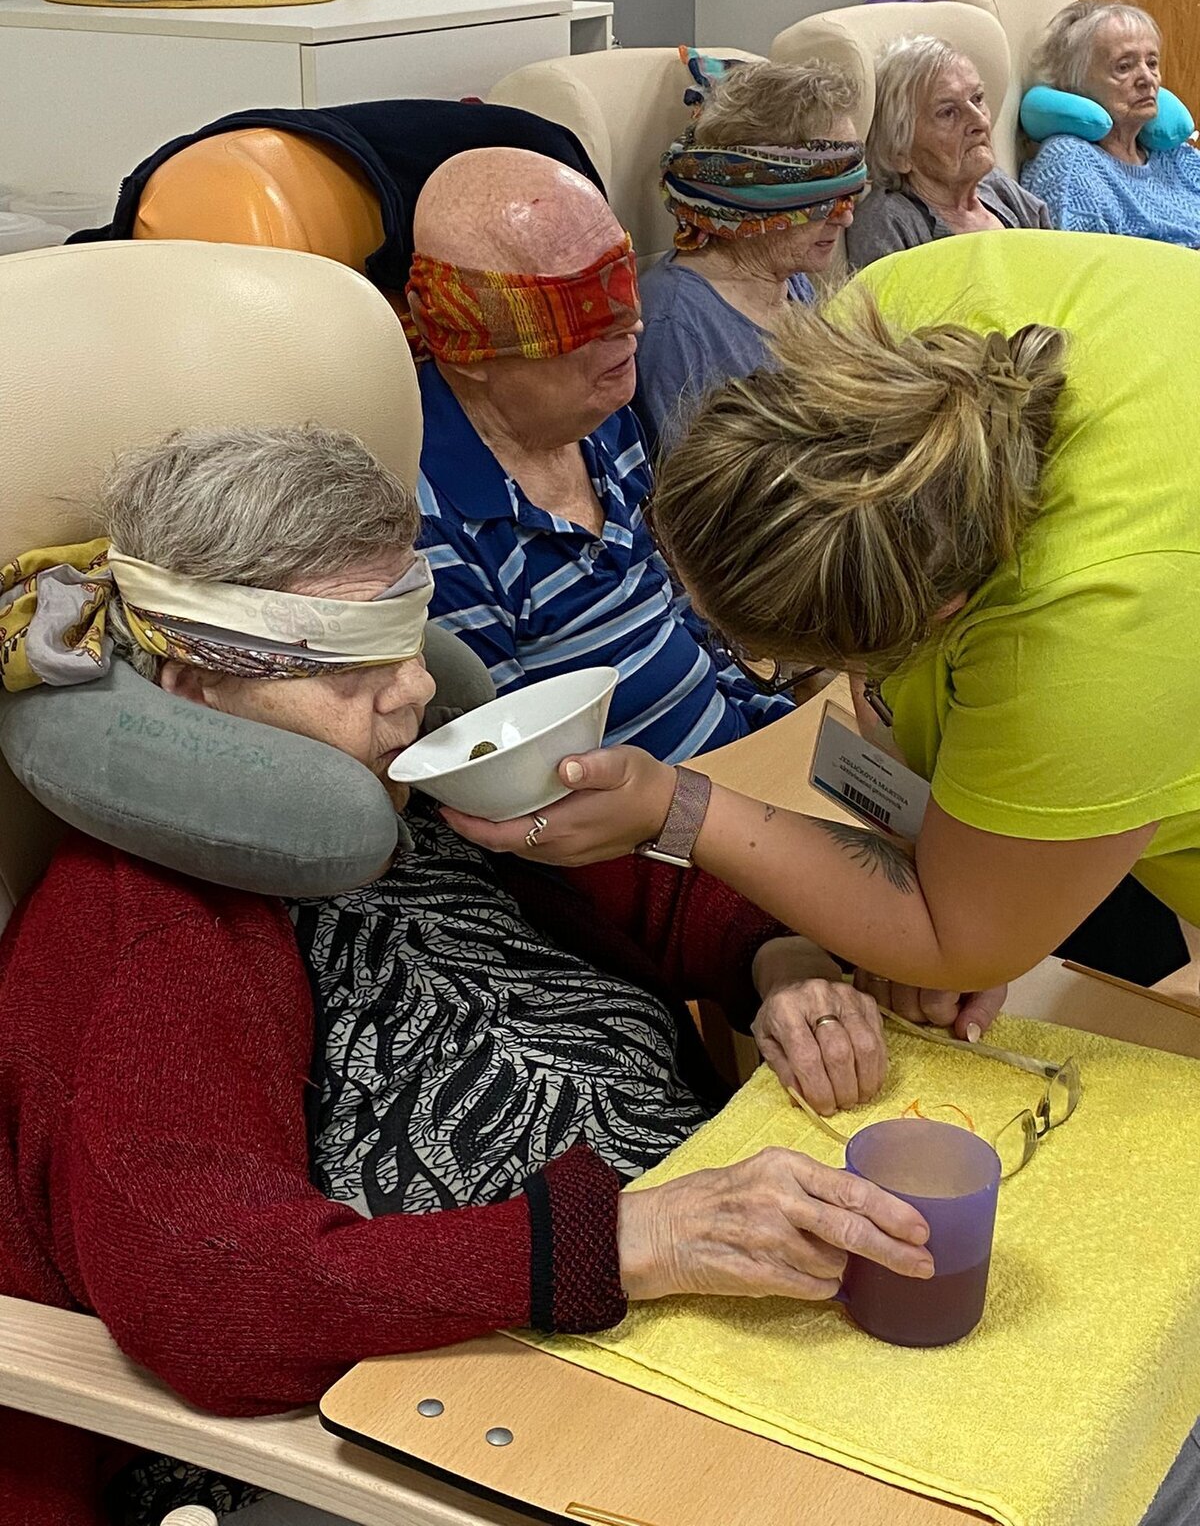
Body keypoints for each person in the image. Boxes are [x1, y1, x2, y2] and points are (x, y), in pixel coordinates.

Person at [0, 424, 935, 1526]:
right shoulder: (144, 931)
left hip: (712, 1280)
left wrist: (782, 965)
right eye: (354, 660)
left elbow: (651, 894)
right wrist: (639, 1237)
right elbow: (207, 1287)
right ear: (200, 688)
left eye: (410, 631)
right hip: (430, 1425)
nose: (413, 688)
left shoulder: (415, 791)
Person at [441, 229, 1200, 1018]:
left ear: (932, 616)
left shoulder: (1093, 635)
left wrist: (679, 808)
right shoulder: (879, 325)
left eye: (752, 650)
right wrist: (942, 877)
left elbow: (963, 940)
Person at [409, 145, 808, 766]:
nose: (631, 326)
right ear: (465, 343)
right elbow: (521, 776)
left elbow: (678, 620)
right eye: (580, 311)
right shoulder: (430, 532)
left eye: (620, 278)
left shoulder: (601, 420)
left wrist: (774, 717)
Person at [634, 50, 866, 453]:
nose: (846, 218)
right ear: (756, 202)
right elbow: (691, 483)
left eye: (851, 195)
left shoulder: (792, 282)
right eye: (826, 201)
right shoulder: (676, 326)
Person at [846, 34, 1050, 272]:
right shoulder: (886, 224)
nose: (980, 121)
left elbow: (1063, 267)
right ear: (899, 153)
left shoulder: (996, 186)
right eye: (947, 113)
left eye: (978, 99)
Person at [1020, 0, 1200, 246]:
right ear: (1074, 83)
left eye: (1152, 63)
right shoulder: (1070, 164)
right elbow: (1081, 263)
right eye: (1124, 67)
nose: (1147, 78)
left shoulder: (1177, 156)